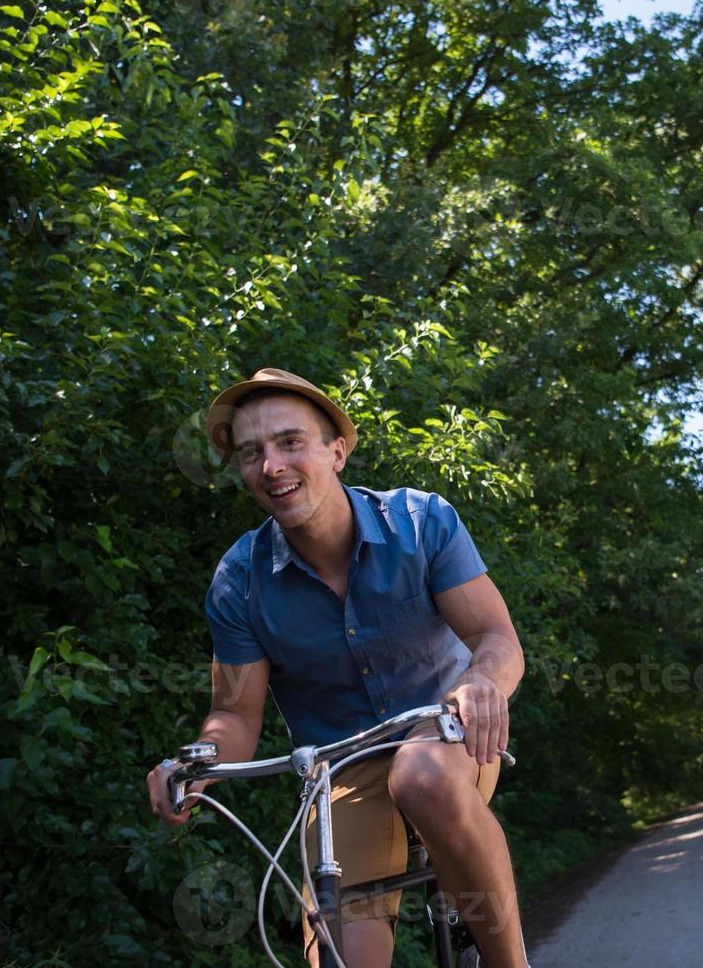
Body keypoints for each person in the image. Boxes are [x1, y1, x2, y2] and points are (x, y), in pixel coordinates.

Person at [144, 368, 529, 968]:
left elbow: (494, 637)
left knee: (421, 773)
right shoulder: (239, 582)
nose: (271, 465)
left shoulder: (422, 523)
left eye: (290, 442)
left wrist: (481, 682)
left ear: (337, 451)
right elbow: (233, 713)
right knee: (341, 956)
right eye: (252, 453)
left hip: (448, 739)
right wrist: (195, 764)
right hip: (341, 772)